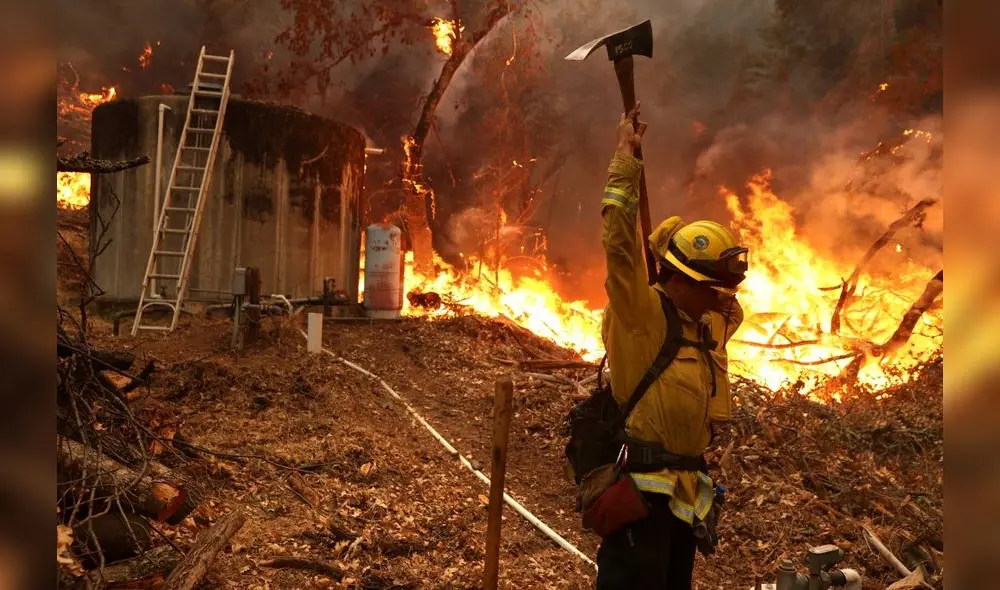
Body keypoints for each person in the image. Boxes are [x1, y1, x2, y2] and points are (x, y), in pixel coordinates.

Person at [595, 103, 748, 590]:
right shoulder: (640, 315)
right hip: (641, 500)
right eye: (713, 288)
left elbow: (731, 312)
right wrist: (625, 160)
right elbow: (619, 248)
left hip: (687, 496)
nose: (723, 300)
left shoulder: (706, 323)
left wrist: (668, 243)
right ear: (679, 280)